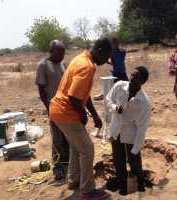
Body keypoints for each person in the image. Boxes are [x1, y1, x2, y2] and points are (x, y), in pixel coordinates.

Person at [49, 38, 112, 200]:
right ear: (99, 51)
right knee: (87, 149)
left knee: (77, 147)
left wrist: (95, 115)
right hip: (66, 112)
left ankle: (74, 180)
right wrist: (83, 115)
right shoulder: (87, 66)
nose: (106, 62)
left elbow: (83, 93)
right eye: (106, 57)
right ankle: (87, 190)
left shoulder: (80, 59)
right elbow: (74, 97)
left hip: (59, 111)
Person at [106, 66, 151, 195]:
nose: (131, 78)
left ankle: (140, 188)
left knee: (135, 163)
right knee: (119, 162)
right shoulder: (119, 86)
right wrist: (115, 108)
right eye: (132, 75)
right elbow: (108, 99)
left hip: (132, 135)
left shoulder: (144, 103)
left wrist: (136, 148)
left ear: (142, 82)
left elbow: (142, 128)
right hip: (116, 131)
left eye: (136, 77)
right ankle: (123, 189)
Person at [35, 40, 70, 180]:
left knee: (68, 136)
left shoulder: (63, 64)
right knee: (57, 139)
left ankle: (68, 162)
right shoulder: (43, 65)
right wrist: (48, 108)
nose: (62, 55)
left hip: (66, 107)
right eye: (60, 52)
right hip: (54, 107)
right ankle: (58, 166)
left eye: (63, 52)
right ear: (51, 51)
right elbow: (41, 91)